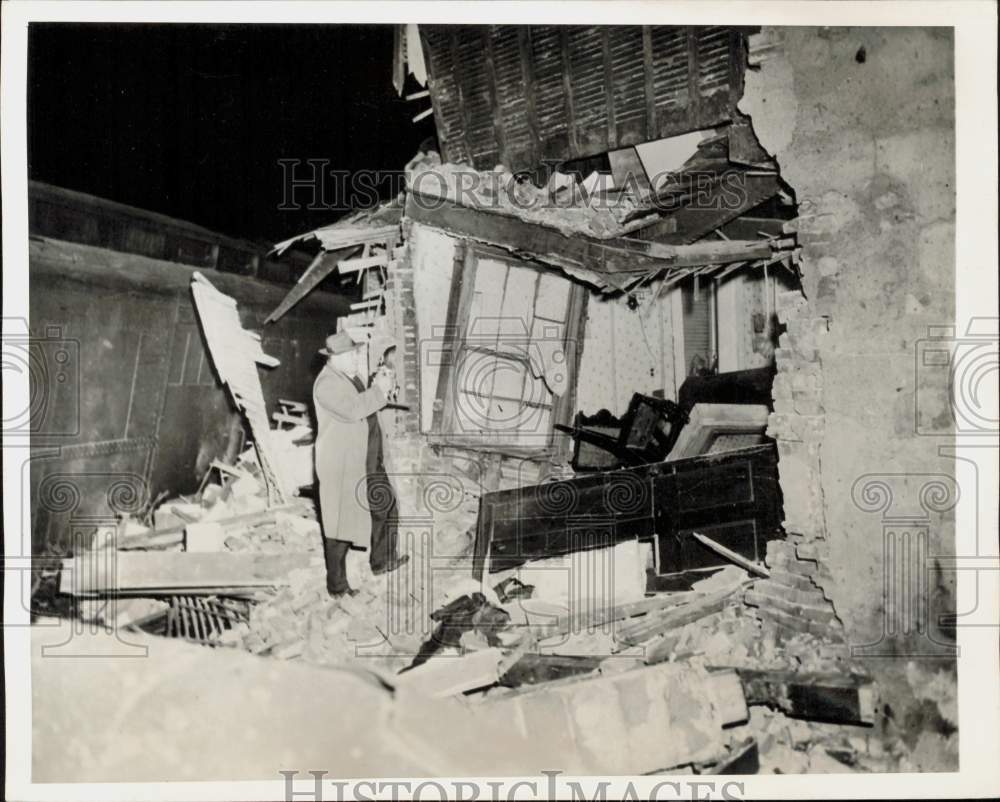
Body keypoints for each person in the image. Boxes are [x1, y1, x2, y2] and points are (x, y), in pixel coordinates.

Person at [312, 330, 403, 598]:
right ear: (335, 358)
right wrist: (379, 390)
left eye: (356, 352)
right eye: (351, 355)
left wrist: (380, 387)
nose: (356, 358)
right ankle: (337, 586)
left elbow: (367, 404)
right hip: (344, 463)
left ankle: (382, 560)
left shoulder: (351, 377)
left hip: (368, 455)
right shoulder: (326, 384)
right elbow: (352, 410)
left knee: (385, 504)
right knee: (340, 525)